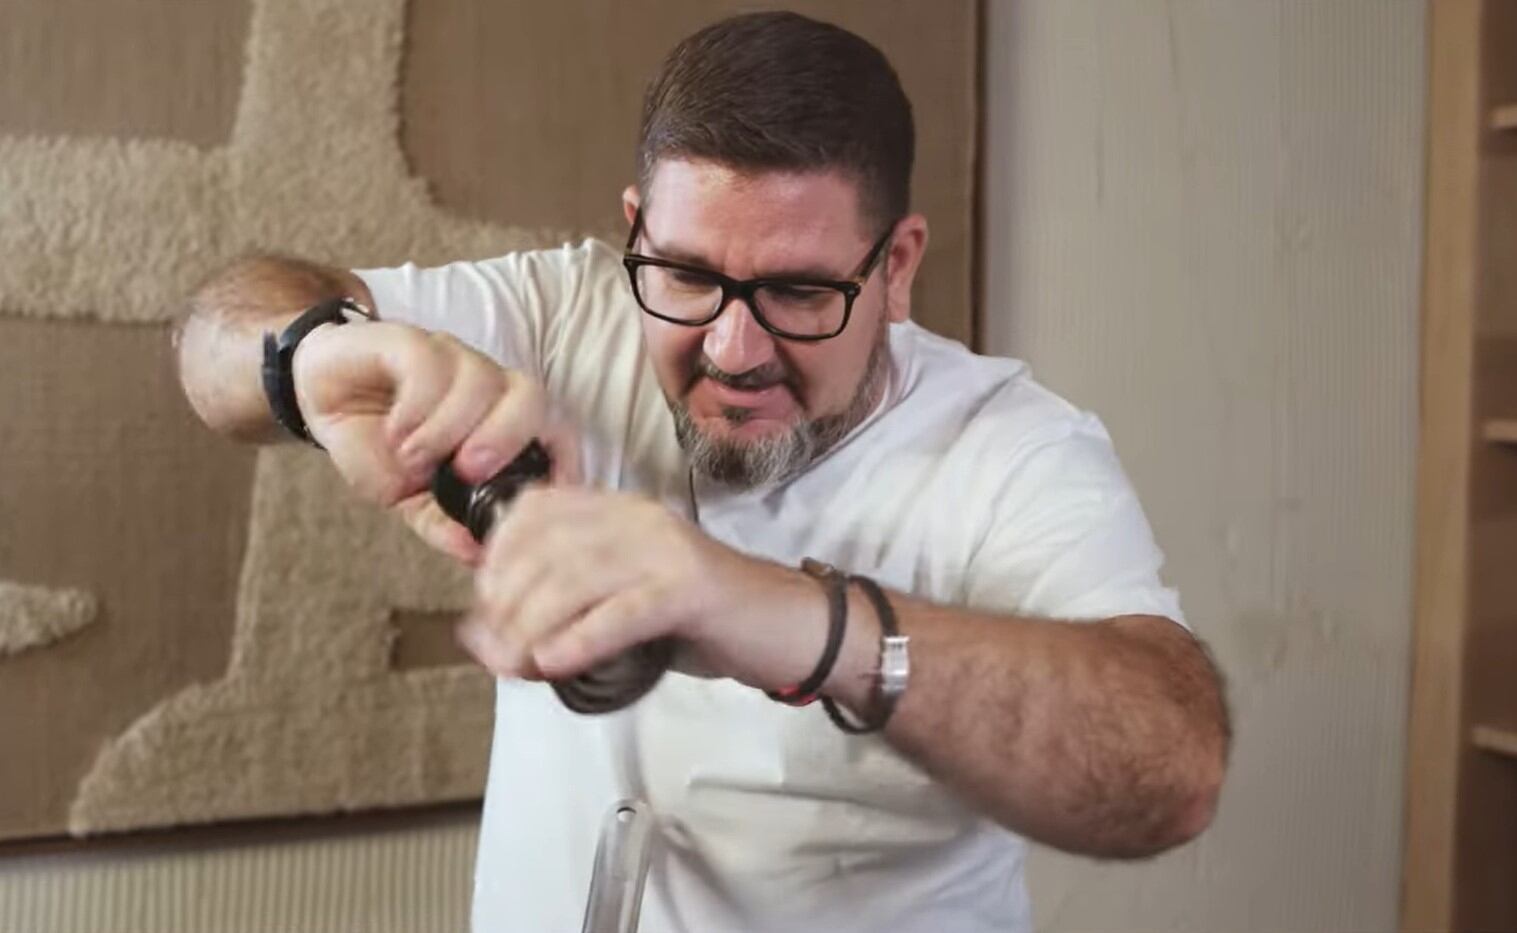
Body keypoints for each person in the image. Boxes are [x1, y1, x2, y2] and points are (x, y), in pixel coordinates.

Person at [175, 11, 1228, 933]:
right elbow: (214, 338)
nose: (732, 350)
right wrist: (309, 359)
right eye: (683, 276)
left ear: (895, 268)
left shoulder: (1012, 451)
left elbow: (1168, 772)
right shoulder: (564, 309)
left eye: (801, 293)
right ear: (636, 231)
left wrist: (787, 620)